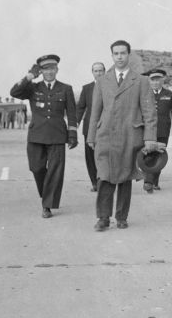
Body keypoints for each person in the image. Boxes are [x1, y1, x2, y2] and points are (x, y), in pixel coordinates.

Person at [87, 40, 158, 231]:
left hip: (130, 135)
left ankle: (121, 216)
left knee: (125, 176)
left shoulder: (141, 81)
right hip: (105, 136)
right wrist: (91, 136)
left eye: (122, 53)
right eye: (115, 54)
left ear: (129, 55)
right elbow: (95, 111)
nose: (119, 57)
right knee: (104, 176)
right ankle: (103, 217)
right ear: (111, 56)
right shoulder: (103, 81)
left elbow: (149, 111)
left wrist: (150, 137)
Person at [10, 54, 78, 218]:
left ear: (57, 70)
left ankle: (47, 205)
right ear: (41, 71)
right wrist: (29, 76)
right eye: (45, 69)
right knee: (36, 167)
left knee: (55, 171)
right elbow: (14, 91)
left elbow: (71, 113)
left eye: (52, 69)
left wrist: (72, 134)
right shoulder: (33, 87)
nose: (49, 72)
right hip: (36, 134)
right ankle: (47, 193)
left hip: (57, 135)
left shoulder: (65, 88)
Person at [141, 69, 172, 193]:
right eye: (153, 79)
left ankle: (154, 181)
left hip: (163, 130)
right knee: (147, 155)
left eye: (158, 79)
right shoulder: (143, 94)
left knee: (159, 156)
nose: (156, 82)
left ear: (163, 80)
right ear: (149, 81)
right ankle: (148, 181)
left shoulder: (170, 94)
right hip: (146, 130)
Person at [76, 62, 106, 192]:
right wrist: (75, 123)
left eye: (100, 70)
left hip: (106, 127)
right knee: (90, 156)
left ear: (104, 72)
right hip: (89, 128)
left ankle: (104, 181)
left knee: (105, 156)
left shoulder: (112, 87)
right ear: (92, 72)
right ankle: (95, 182)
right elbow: (81, 107)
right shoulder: (87, 88)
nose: (98, 73)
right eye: (96, 71)